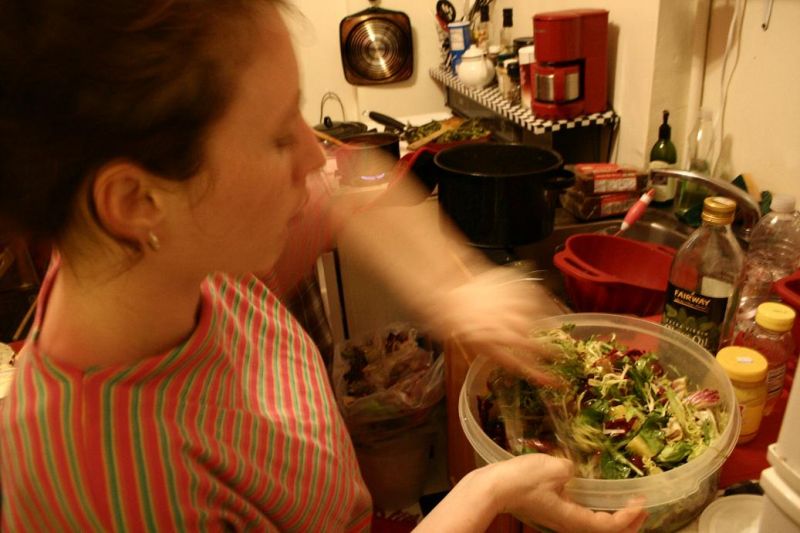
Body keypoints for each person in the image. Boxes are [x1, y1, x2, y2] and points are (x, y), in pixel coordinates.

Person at [0, 1, 647, 531]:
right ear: (135, 199)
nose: (315, 157)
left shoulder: (176, 255)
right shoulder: (108, 490)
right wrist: (486, 494)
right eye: (281, 135)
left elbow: (354, 180)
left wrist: (457, 288)